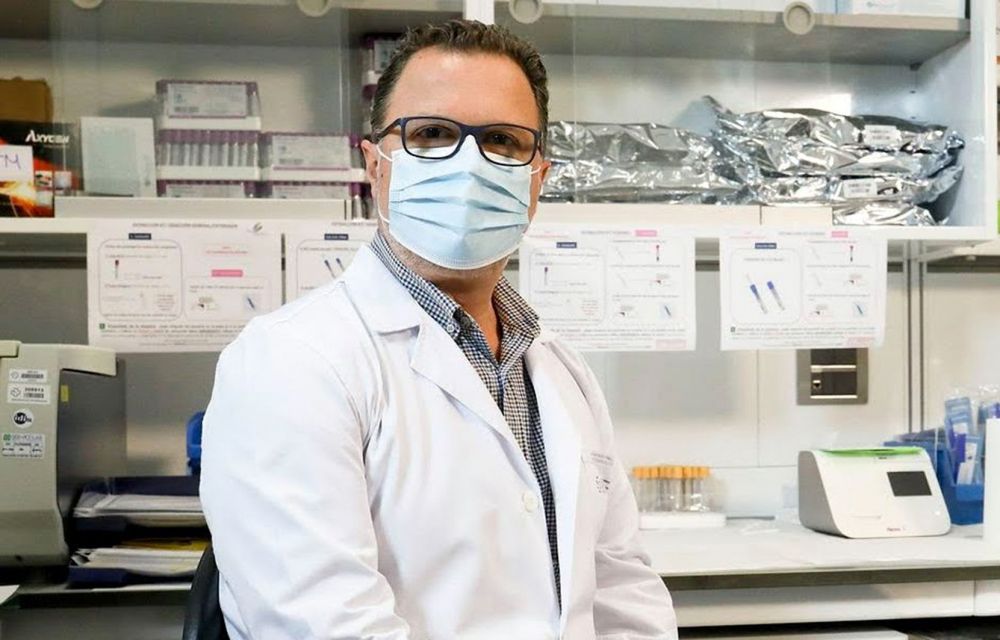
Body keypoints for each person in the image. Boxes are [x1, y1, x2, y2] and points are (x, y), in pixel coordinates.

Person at [201, 19, 678, 640]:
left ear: (538, 179)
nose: (469, 166)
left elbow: (622, 590)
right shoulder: (290, 362)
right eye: (431, 134)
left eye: (502, 141)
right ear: (375, 165)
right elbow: (322, 625)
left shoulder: (562, 371)